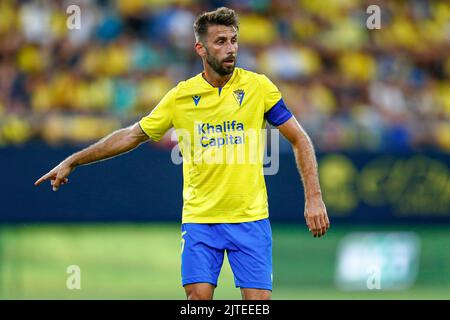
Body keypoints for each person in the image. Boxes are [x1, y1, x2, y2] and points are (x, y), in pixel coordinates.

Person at [35, 7, 330, 300]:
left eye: (233, 40)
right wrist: (74, 160)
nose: (230, 49)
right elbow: (131, 135)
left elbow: (299, 139)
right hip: (201, 219)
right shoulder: (181, 96)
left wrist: (314, 197)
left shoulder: (259, 87)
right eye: (220, 42)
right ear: (200, 48)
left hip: (250, 218)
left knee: (258, 304)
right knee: (198, 300)